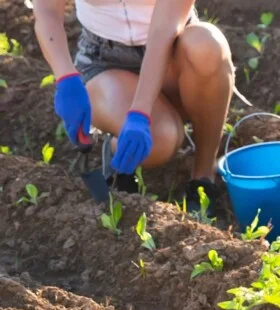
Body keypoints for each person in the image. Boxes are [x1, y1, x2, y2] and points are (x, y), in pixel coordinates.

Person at [34, 0, 234, 203]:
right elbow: (47, 9)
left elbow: (164, 30)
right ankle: (115, 149)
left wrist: (140, 113)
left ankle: (203, 177)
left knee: (207, 45)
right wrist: (66, 79)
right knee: (162, 141)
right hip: (105, 59)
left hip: (173, 51)